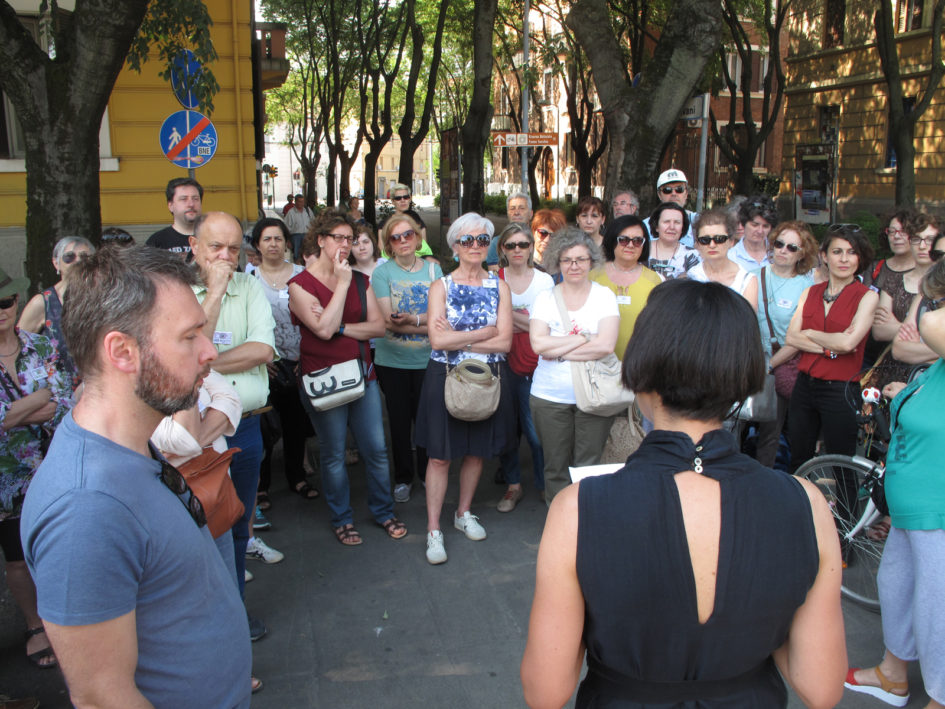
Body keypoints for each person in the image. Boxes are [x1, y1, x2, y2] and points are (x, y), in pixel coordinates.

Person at [521, 279, 847, 709]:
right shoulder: (805, 503)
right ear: (742, 376)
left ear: (642, 371)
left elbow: (547, 692)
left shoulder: (577, 508)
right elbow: (821, 688)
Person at [20, 246, 252, 708]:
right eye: (190, 337)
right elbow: (103, 698)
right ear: (123, 352)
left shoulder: (135, 447)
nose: (210, 353)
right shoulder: (85, 508)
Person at [845, 260, 945, 709]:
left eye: (938, 302)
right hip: (910, 507)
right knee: (898, 583)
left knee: (935, 604)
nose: (925, 314)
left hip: (936, 510)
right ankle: (892, 672)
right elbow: (907, 352)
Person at [288, 213, 406, 546]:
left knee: (376, 449)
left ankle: (384, 511)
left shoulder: (359, 280)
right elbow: (321, 330)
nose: (345, 245)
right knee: (334, 454)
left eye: (349, 239)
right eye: (337, 238)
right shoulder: (301, 285)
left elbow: (377, 327)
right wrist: (340, 287)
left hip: (362, 375)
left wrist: (341, 328)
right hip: (324, 380)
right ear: (320, 240)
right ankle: (342, 519)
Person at [189, 212, 281, 625]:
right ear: (194, 247)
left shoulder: (251, 286)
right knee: (207, 531)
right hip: (196, 435)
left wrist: (205, 364)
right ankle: (213, 620)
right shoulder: (176, 292)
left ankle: (236, 615)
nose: (226, 257)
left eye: (232, 248)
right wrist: (214, 292)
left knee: (239, 522)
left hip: (245, 425)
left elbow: (262, 350)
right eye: (215, 248)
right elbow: (187, 352)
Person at [415, 212, 513, 565]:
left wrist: (459, 338)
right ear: (454, 246)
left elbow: (504, 344)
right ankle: (432, 530)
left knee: (475, 452)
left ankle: (463, 513)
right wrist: (481, 333)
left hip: (486, 378)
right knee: (440, 455)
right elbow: (436, 341)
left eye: (482, 240)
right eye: (467, 240)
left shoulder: (499, 286)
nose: (475, 246)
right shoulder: (440, 287)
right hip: (444, 377)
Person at [0, 267, 71, 670]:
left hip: (46, 466)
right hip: (4, 478)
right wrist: (35, 401)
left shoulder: (40, 347)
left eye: (6, 302)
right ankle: (34, 625)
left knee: (55, 548)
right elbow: (43, 400)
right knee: (16, 557)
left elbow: (61, 402)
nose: (1, 311)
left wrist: (13, 414)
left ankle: (65, 621)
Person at [786, 225, 878, 519]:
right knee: (798, 459)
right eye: (837, 251)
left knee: (842, 465)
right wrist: (832, 348)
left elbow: (850, 342)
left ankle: (846, 537)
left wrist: (811, 334)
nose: (844, 258)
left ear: (860, 259)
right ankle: (798, 521)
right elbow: (792, 338)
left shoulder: (866, 296)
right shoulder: (811, 292)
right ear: (824, 256)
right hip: (805, 386)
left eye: (852, 253)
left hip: (840, 389)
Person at [529, 227, 620, 504]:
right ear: (557, 262)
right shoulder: (545, 298)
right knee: (554, 467)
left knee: (588, 467)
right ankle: (559, 523)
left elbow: (605, 345)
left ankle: (586, 523)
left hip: (594, 395)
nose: (574, 266)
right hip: (549, 396)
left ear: (591, 261)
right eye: (567, 260)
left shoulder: (604, 296)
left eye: (581, 259)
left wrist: (559, 350)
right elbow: (538, 345)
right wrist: (583, 338)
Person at [371, 214, 443, 504]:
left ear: (417, 238)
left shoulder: (433, 271)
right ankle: (403, 478)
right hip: (392, 362)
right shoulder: (382, 273)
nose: (403, 241)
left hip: (429, 359)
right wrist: (427, 322)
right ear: (388, 243)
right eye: (395, 237)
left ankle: (427, 475)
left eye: (408, 235)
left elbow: (443, 316)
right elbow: (389, 322)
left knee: (426, 421)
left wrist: (413, 319)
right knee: (399, 423)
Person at [249, 218, 318, 508]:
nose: (273, 244)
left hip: (300, 361)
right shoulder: (249, 278)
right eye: (267, 239)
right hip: (266, 365)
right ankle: (261, 486)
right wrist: (261, 360)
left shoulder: (303, 275)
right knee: (264, 430)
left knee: (296, 426)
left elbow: (316, 317)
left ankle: (297, 477)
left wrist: (309, 357)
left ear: (287, 242)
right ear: (257, 245)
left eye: (278, 238)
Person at [495, 222, 554, 510]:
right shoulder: (495, 277)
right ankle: (513, 486)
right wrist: (528, 322)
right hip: (502, 361)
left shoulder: (544, 282)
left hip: (535, 362)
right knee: (506, 430)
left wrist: (507, 315)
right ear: (502, 250)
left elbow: (545, 326)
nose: (517, 250)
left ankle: (544, 485)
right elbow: (491, 322)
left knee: (535, 432)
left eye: (523, 244)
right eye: (510, 245)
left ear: (531, 248)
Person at [753, 221, 818, 468]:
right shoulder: (754, 276)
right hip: (752, 362)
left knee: (773, 430)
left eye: (792, 247)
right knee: (739, 425)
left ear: (802, 253)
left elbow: (802, 337)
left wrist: (770, 365)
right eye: (779, 244)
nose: (783, 250)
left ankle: (769, 484)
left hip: (785, 365)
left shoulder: (807, 285)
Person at [868, 212, 939, 391]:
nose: (922, 246)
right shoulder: (896, 281)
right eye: (917, 239)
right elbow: (880, 332)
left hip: (931, 376)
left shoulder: (934, 288)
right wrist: (907, 330)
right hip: (895, 368)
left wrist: (901, 326)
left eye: (929, 240)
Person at [18, 235, 94, 392]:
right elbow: (18, 349)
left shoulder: (104, 299)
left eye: (85, 256)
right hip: (58, 394)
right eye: (69, 257)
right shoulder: (43, 303)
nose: (78, 261)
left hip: (98, 391)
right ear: (56, 262)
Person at [591, 215, 662, 358]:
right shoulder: (593, 277)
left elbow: (659, 326)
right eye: (623, 240)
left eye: (637, 241)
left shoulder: (654, 280)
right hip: (596, 363)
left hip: (639, 363)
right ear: (612, 241)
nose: (630, 245)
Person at [689, 207, 758, 311]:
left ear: (731, 242)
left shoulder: (747, 280)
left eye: (719, 239)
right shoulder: (692, 276)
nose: (712, 245)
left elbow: (748, 322)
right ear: (697, 244)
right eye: (705, 240)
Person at [145, 177, 203, 258]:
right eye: (183, 199)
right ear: (170, 205)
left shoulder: (213, 238)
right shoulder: (157, 242)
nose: (191, 204)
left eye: (195, 199)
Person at [380, 183, 434, 260]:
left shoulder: (418, 222)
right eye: (398, 198)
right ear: (392, 201)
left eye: (406, 197)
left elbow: (423, 248)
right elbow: (382, 252)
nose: (403, 200)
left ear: (410, 199)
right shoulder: (384, 224)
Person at [646, 202, 699, 280]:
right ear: (656, 226)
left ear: (683, 227)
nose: (672, 227)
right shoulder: (641, 250)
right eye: (666, 222)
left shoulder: (692, 255)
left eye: (677, 222)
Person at [647, 168, 697, 247]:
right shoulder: (645, 227)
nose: (674, 194)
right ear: (659, 195)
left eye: (679, 189)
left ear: (686, 193)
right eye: (667, 190)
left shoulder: (698, 222)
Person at [729, 194, 777, 272]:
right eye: (755, 225)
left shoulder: (778, 254)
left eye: (765, 226)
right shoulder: (731, 257)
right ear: (744, 224)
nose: (760, 231)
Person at [486, 192, 533, 267]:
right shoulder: (496, 243)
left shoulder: (540, 240)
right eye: (512, 208)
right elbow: (494, 274)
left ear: (531, 214)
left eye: (521, 208)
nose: (516, 212)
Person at [285, 194, 315, 261]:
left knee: (308, 255)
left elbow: (313, 222)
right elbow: (286, 228)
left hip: (307, 236)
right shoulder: (291, 213)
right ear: (295, 202)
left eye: (303, 201)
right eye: (299, 201)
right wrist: (288, 241)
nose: (301, 203)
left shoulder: (308, 211)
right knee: (297, 256)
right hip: (296, 237)